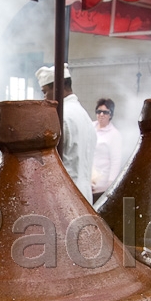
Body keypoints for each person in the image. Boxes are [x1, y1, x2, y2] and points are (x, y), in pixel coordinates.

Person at [36, 64, 95, 201]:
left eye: (45, 91)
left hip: (66, 197)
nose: (44, 97)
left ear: (58, 87)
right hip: (85, 195)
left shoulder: (62, 116)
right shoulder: (84, 116)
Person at [91, 97, 124, 200]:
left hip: (102, 185)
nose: (101, 115)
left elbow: (116, 161)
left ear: (111, 115)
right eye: (99, 111)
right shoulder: (90, 127)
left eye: (105, 112)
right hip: (88, 180)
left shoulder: (114, 135)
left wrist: (111, 185)